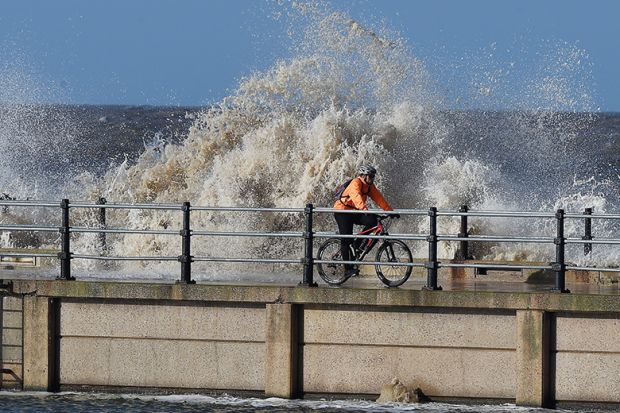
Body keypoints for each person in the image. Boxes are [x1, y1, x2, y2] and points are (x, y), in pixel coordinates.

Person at [333, 165, 396, 277]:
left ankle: (357, 244)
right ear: (363, 176)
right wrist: (364, 209)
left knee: (372, 221)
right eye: (370, 176)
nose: (372, 179)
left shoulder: (369, 186)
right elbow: (356, 196)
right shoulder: (356, 183)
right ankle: (347, 269)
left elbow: (379, 198)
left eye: (373, 176)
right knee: (346, 239)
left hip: (354, 211)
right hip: (342, 211)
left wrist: (390, 211)